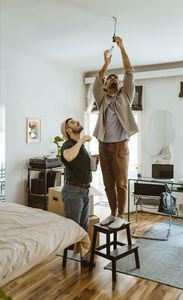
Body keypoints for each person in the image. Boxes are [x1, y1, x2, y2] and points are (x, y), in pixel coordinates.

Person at [92, 36, 138, 229]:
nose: (113, 79)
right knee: (107, 184)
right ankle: (111, 213)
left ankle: (120, 214)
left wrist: (122, 48)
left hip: (120, 146)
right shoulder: (101, 99)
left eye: (115, 79)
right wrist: (105, 64)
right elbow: (97, 79)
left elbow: (129, 72)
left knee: (121, 183)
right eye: (110, 78)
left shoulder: (125, 96)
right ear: (105, 85)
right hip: (103, 145)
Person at [60, 118, 94, 266]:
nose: (77, 122)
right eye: (73, 122)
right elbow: (67, 156)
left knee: (83, 227)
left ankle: (80, 258)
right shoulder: (68, 144)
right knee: (73, 227)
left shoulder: (81, 146)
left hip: (84, 191)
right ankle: (66, 259)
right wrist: (82, 141)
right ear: (69, 130)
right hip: (73, 191)